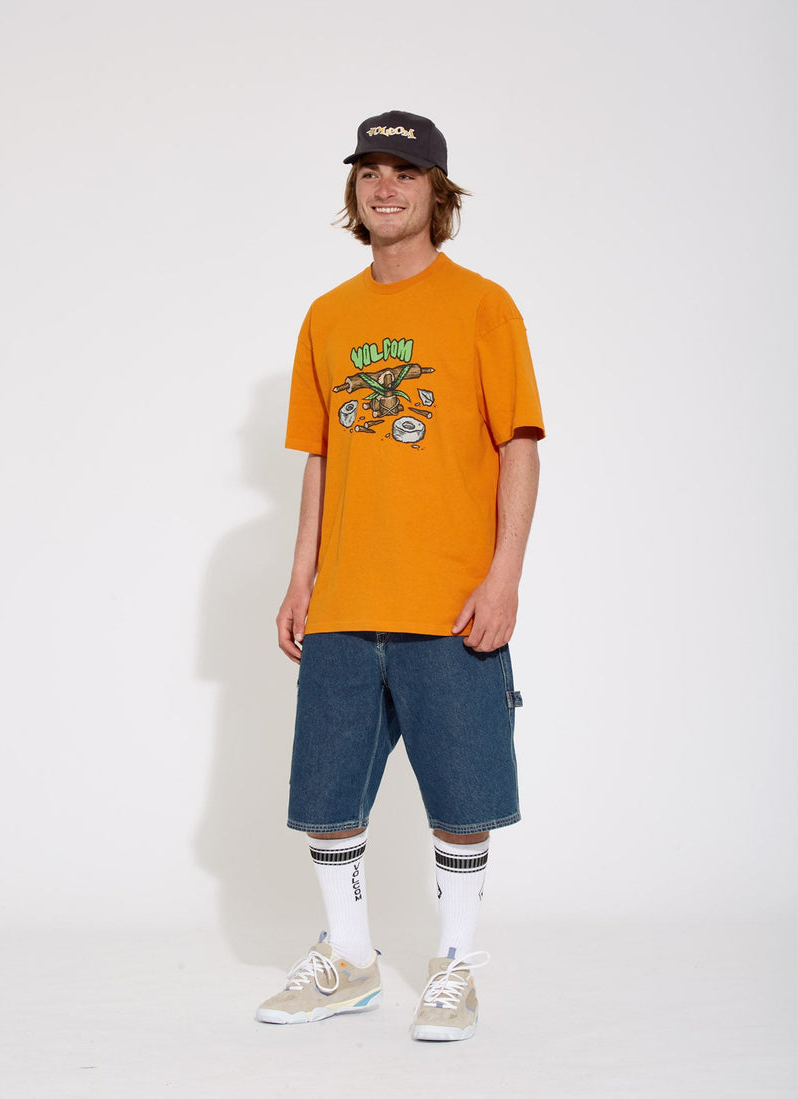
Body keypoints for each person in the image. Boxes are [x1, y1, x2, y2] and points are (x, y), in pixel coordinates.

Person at [256, 110, 544, 1041]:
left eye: (405, 172)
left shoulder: (482, 305)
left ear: (436, 193)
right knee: (325, 799)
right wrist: (300, 577)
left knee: (462, 803)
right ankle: (348, 961)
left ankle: (454, 964)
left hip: (450, 602)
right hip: (345, 600)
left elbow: (519, 445)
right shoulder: (327, 316)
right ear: (354, 191)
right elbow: (321, 456)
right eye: (369, 171)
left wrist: (503, 576)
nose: (384, 187)